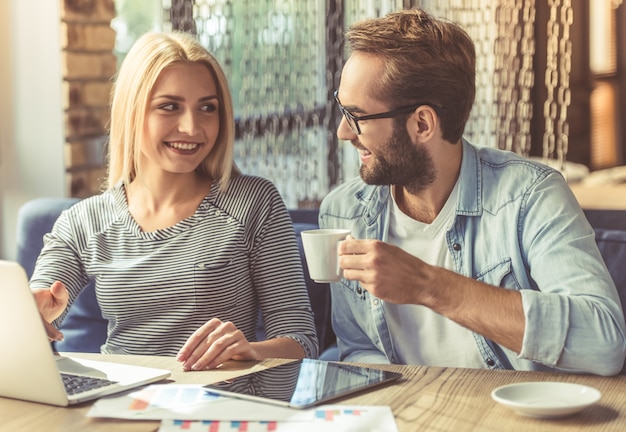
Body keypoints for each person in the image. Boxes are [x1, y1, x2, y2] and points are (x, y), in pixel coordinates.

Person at [321, 8, 626, 375]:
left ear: (422, 123)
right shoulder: (343, 212)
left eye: (356, 116)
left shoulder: (530, 196)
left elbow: (605, 343)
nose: (342, 132)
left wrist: (427, 284)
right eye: (341, 108)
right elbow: (358, 350)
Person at [31, 31, 318, 370]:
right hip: (124, 407)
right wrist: (34, 313)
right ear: (133, 112)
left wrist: (252, 351)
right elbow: (37, 306)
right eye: (170, 106)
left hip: (222, 407)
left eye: (207, 108)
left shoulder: (255, 202)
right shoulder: (83, 222)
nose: (192, 126)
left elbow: (301, 339)